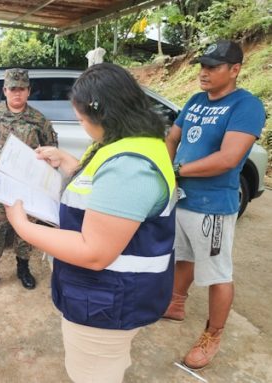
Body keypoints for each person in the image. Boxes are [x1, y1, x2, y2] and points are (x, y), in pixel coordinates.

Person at [4, 63, 177, 383]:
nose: (81, 126)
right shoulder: (132, 141)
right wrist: (68, 163)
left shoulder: (130, 166)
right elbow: (104, 188)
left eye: (82, 119)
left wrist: (24, 226)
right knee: (108, 367)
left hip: (107, 303)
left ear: (106, 116)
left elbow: (94, 251)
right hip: (109, 296)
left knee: (93, 375)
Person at [163, 40, 266, 369]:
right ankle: (176, 303)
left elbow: (228, 158)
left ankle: (213, 334)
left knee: (218, 273)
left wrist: (177, 171)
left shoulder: (246, 106)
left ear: (234, 70)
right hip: (182, 198)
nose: (204, 73)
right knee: (184, 256)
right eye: (202, 66)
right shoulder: (194, 100)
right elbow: (172, 137)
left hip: (213, 205)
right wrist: (168, 172)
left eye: (213, 67)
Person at [0, 68, 58, 294]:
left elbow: (52, 148)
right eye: (12, 89)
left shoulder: (38, 120)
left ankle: (23, 267)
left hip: (27, 189)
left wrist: (43, 160)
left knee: (25, 231)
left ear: (28, 91)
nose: (17, 93)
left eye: (22, 89)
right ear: (5, 90)